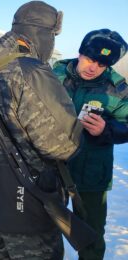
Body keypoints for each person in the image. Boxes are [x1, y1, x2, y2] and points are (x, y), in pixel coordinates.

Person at [0, 1, 82, 259]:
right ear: (42, 34)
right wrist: (79, 128)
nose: (52, 43)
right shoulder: (31, 71)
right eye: (52, 36)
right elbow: (64, 146)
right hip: (27, 205)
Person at [53, 29, 128, 260]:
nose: (93, 67)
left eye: (102, 64)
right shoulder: (52, 75)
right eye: (89, 58)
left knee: (91, 234)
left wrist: (106, 130)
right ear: (80, 52)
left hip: (91, 173)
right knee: (44, 228)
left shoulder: (117, 88)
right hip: (50, 167)